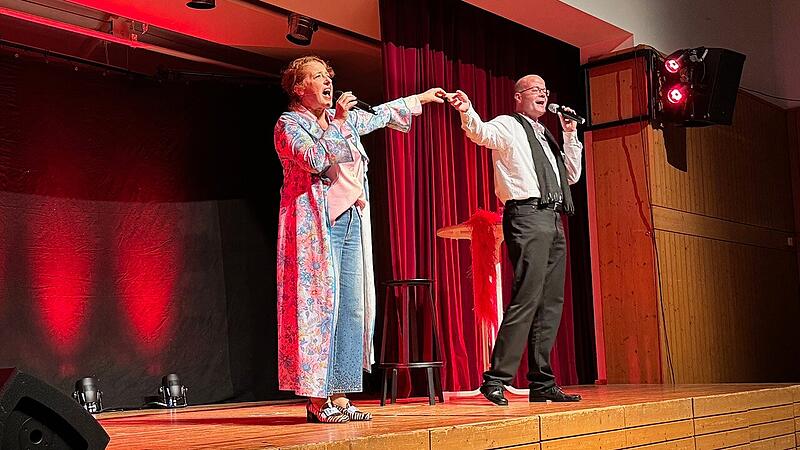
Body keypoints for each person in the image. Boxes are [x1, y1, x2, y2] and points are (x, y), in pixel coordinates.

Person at [274, 55, 445, 423]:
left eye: (327, 75)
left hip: (351, 218)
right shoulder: (289, 124)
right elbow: (315, 158)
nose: (325, 80)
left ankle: (340, 394)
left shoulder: (345, 119)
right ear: (299, 89)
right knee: (321, 310)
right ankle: (316, 401)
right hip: (316, 227)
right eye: (315, 77)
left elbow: (380, 115)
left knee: (352, 308)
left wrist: (421, 98)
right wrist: (335, 122)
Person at [445, 75, 583, 405]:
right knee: (527, 296)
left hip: (553, 217)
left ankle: (542, 382)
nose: (543, 94)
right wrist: (467, 111)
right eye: (535, 90)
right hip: (526, 215)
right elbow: (481, 133)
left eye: (545, 90)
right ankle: (496, 378)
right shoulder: (509, 124)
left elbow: (571, 176)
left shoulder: (547, 135)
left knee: (551, 303)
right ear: (518, 97)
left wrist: (569, 134)